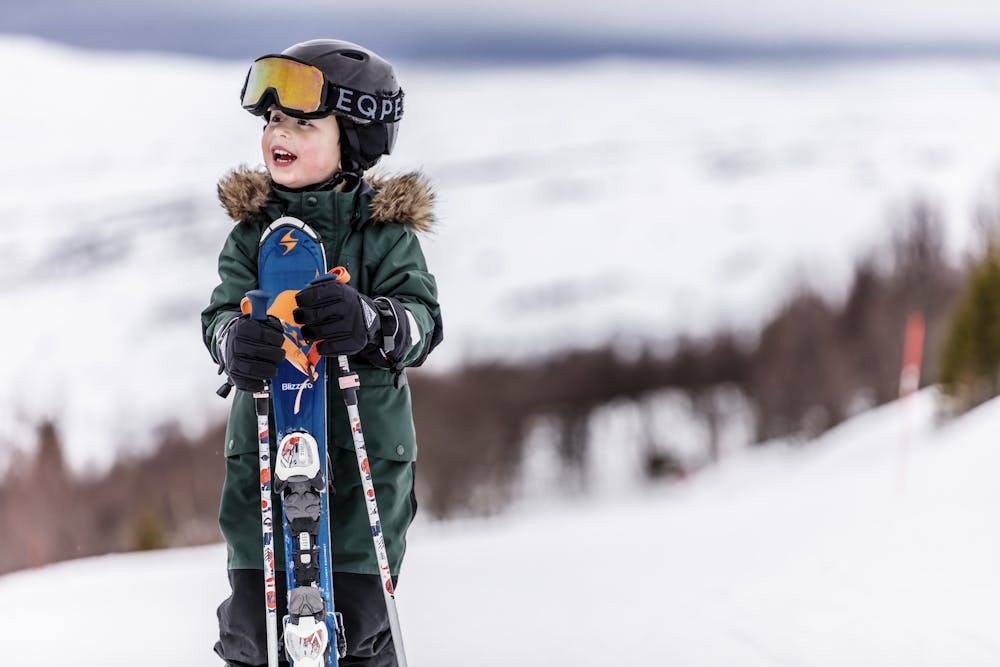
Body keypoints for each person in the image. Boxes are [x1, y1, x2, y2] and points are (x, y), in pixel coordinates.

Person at [201, 38, 443, 667]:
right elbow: (220, 315)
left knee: (357, 625)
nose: (278, 132)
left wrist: (372, 319)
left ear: (354, 138)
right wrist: (235, 340)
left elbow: (422, 324)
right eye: (274, 120)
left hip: (365, 472)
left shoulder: (386, 236)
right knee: (253, 629)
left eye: (303, 122)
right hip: (264, 463)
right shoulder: (252, 237)